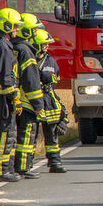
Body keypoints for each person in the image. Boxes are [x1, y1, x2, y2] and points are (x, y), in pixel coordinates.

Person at [0, 8, 23, 182]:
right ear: (7, 26)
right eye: (15, 26)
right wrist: (14, 97)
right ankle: (1, 171)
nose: (17, 29)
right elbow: (6, 76)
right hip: (2, 95)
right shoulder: (3, 46)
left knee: (5, 132)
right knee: (5, 133)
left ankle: (4, 168)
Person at [11, 13, 45, 179]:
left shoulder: (12, 47)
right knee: (26, 134)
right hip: (26, 102)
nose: (36, 33)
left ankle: (14, 166)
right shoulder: (26, 51)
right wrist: (38, 105)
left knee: (15, 134)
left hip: (14, 99)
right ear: (26, 32)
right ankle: (23, 167)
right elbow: (31, 81)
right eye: (33, 30)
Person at [31, 29, 67, 173]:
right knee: (31, 134)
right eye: (44, 44)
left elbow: (56, 78)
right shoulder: (29, 58)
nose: (47, 46)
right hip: (33, 99)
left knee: (52, 133)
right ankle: (26, 164)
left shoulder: (50, 60)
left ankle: (55, 162)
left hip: (49, 100)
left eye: (47, 44)